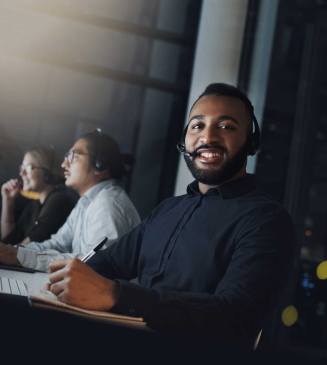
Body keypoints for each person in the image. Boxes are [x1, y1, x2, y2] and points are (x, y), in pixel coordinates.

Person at [44, 84, 296, 345]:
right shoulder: (167, 209)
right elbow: (110, 261)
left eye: (226, 126)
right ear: (184, 139)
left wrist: (117, 295)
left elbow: (235, 316)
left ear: (251, 142)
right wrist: (74, 279)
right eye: (197, 126)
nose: (207, 137)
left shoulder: (268, 221)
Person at [0, 130, 140, 272]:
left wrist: (19, 256)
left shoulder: (108, 205)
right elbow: (58, 243)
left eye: (74, 156)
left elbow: (93, 264)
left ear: (100, 165)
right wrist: (14, 251)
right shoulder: (85, 203)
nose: (64, 164)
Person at [1, 146, 75, 246]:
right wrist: (8, 202)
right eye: (22, 168)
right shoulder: (35, 205)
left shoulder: (59, 201)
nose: (21, 173)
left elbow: (20, 250)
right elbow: (9, 240)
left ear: (47, 172)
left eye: (28, 168)